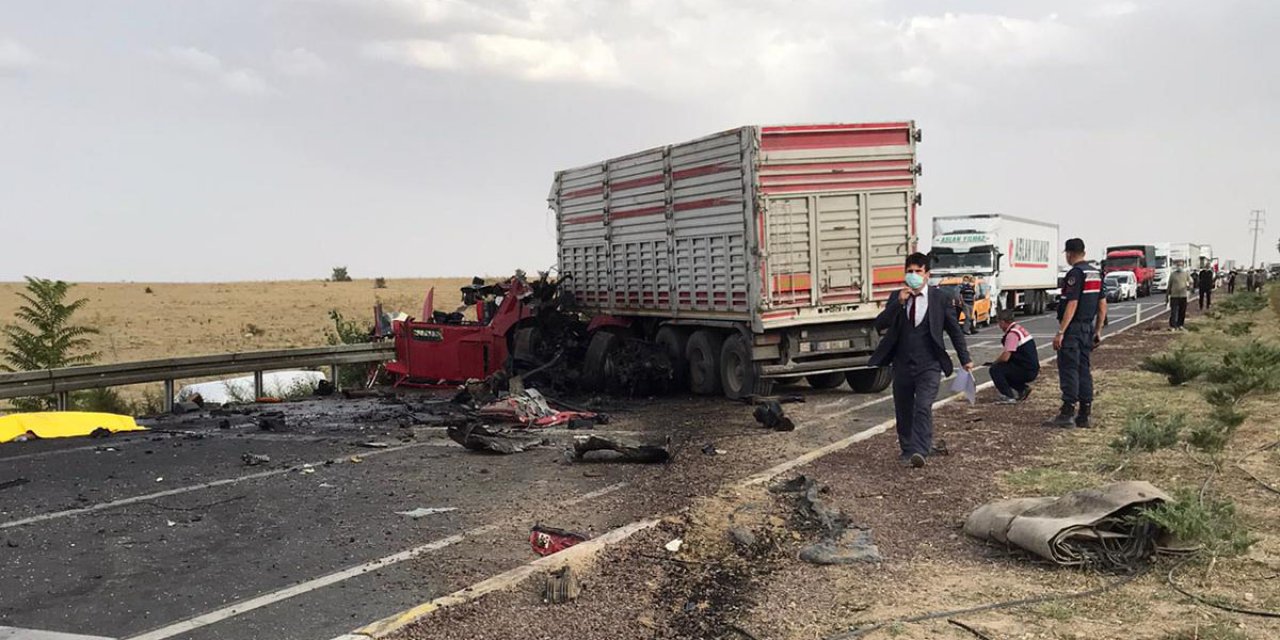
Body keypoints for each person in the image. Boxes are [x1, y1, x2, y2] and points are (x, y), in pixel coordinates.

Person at [869, 253, 974, 468]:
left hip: (930, 364)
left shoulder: (941, 299)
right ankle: (907, 448)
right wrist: (897, 304)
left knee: (923, 405)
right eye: (910, 272)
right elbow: (879, 324)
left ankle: (921, 449)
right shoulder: (897, 297)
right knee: (904, 407)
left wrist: (965, 359)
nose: (914, 275)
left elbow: (955, 331)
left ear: (927, 274)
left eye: (918, 271)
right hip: (902, 363)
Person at [1045, 238, 1107, 429]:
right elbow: (1102, 305)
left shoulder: (1075, 274)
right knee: (1084, 370)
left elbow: (1072, 304)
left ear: (1070, 254)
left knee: (1069, 368)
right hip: (1088, 328)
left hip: (1073, 330)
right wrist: (1098, 330)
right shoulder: (1096, 274)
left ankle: (1067, 412)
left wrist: (1061, 331)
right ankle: (1085, 413)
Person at [990, 309, 1039, 403]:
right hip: (1031, 367)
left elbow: (1005, 357)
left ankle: (1008, 396)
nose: (999, 326)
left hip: (1025, 370)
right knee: (1005, 369)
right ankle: (1022, 389)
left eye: (999, 323)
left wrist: (995, 362)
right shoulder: (1019, 328)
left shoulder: (1012, 334)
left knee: (996, 369)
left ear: (1003, 322)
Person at [1167, 261, 1190, 330]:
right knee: (1174, 312)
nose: (1179, 266)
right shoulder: (1173, 274)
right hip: (1174, 296)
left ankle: (1180, 325)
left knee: (1182, 311)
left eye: (1181, 265)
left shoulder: (1186, 274)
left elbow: (1191, 282)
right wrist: (1167, 296)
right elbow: (1169, 285)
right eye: (1178, 265)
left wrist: (1189, 287)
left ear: (1183, 266)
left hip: (1183, 295)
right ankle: (1173, 326)